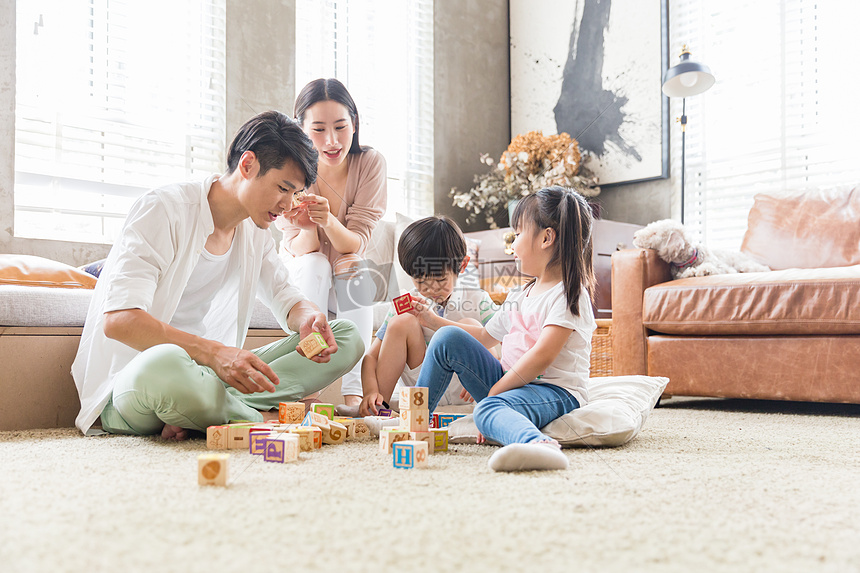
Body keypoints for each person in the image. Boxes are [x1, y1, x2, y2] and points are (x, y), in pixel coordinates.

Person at [71, 110, 364, 438]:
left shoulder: (255, 231)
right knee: (166, 364)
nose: (288, 204)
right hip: (136, 379)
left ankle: (207, 411)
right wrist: (214, 354)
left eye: (295, 193)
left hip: (212, 377)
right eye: (283, 188)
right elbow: (119, 320)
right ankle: (260, 418)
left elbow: (287, 298)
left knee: (347, 336)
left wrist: (309, 318)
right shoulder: (163, 209)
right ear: (248, 164)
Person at [415, 187, 597, 472]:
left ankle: (538, 445)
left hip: (554, 390)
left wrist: (495, 393)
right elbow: (486, 337)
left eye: (517, 235)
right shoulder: (520, 294)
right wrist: (433, 321)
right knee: (447, 338)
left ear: (546, 238)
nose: (512, 244)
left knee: (487, 410)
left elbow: (541, 357)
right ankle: (413, 419)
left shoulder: (568, 295)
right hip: (512, 383)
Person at [275, 78, 386, 410]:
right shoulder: (289, 168)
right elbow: (300, 248)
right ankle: (307, 392)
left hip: (347, 265)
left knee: (353, 266)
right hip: (303, 267)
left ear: (354, 122)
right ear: (301, 129)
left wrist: (327, 220)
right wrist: (308, 225)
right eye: (319, 129)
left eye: (340, 126)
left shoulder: (369, 164)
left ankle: (353, 396)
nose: (332, 140)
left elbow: (355, 243)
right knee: (315, 263)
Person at [358, 216, 498, 417]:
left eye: (440, 279)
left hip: (467, 393)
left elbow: (506, 342)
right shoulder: (407, 303)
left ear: (462, 266)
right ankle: (380, 410)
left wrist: (478, 366)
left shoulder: (477, 299)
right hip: (422, 392)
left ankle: (490, 409)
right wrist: (370, 391)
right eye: (421, 281)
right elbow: (371, 357)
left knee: (469, 325)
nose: (431, 289)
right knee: (401, 322)